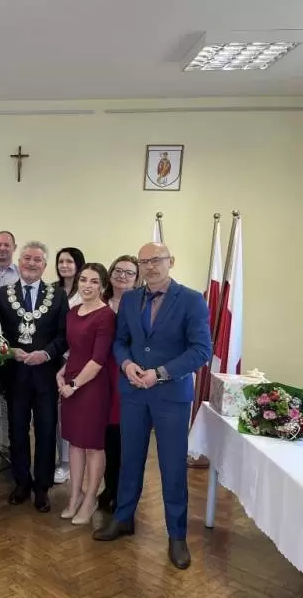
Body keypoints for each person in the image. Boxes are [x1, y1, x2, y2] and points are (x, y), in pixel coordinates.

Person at [93, 243, 212, 571]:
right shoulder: (131, 299)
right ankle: (123, 518)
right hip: (133, 392)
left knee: (172, 467)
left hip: (171, 395)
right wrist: (126, 364)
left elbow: (201, 350)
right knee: (129, 459)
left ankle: (177, 536)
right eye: (144, 261)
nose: (150, 266)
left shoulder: (191, 300)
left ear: (171, 261)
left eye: (156, 260)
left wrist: (160, 373)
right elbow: (121, 341)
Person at [0, 241, 68, 513]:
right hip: (15, 376)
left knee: (47, 431)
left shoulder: (58, 295)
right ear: (19, 261)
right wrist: (9, 350)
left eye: (37, 260)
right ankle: (22, 482)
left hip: (47, 376)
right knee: (17, 431)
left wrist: (46, 354)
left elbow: (64, 335)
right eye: (27, 258)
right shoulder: (2, 295)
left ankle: (42, 487)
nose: (31, 263)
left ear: (45, 266)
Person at [56, 263, 116, 525]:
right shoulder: (72, 313)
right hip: (71, 382)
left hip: (92, 387)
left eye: (93, 281)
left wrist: (74, 385)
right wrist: (61, 373)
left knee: (92, 445)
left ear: (103, 285)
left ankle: (90, 499)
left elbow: (98, 359)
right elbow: (75, 351)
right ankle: (74, 497)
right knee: (75, 444)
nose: (87, 286)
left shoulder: (106, 315)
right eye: (83, 280)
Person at [98, 255, 140, 513]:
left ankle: (124, 492)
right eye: (118, 270)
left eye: (129, 272)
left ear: (137, 279)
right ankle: (109, 486)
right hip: (99, 375)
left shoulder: (141, 305)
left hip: (127, 376)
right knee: (106, 438)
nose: (122, 276)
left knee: (125, 438)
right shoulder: (99, 302)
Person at [53, 246, 86, 485]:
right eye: (61, 261)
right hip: (55, 358)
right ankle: (61, 460)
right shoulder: (52, 290)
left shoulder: (85, 293)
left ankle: (72, 463)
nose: (64, 265)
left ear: (78, 265)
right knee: (57, 414)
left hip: (77, 360)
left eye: (69, 262)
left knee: (72, 414)